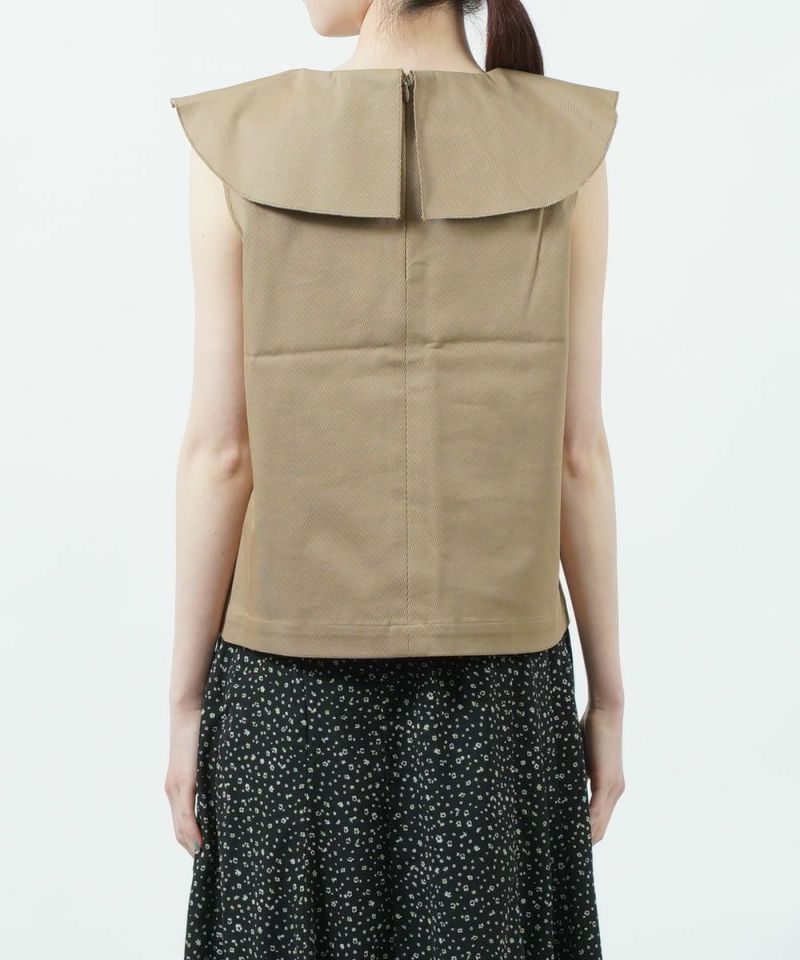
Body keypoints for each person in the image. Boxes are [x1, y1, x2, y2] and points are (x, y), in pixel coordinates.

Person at [165, 1, 625, 957]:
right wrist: (610, 700)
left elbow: (222, 454)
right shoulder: (567, 144)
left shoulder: (238, 142)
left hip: (286, 692)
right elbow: (576, 453)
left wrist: (184, 704)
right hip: (501, 691)